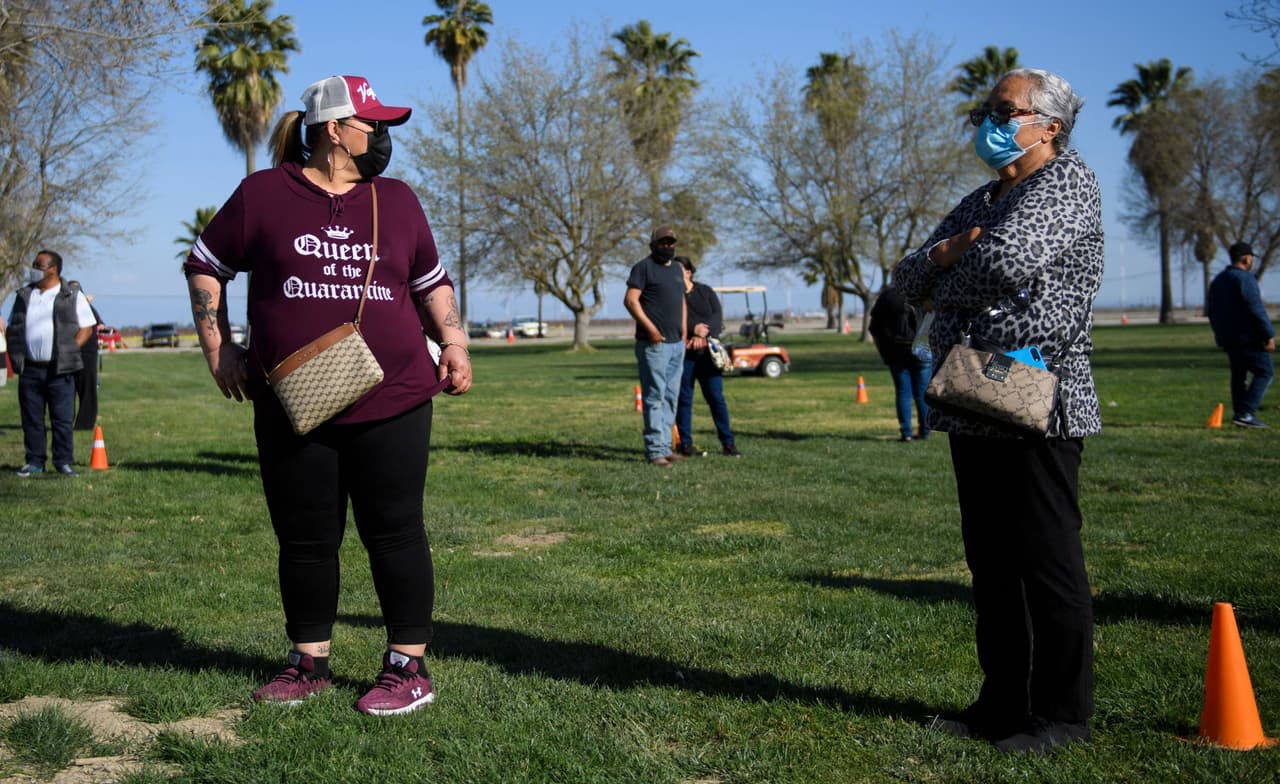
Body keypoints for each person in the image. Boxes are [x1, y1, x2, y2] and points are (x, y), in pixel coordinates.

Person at [182, 74, 473, 716]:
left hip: (393, 393)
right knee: (306, 537)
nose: (384, 137)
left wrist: (452, 342)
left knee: (394, 530)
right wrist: (217, 348)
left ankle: (407, 667)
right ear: (334, 130)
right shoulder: (263, 194)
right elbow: (206, 262)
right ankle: (307, 663)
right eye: (374, 124)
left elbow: (431, 282)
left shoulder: (396, 200)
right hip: (294, 398)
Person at [894, 68, 1102, 753]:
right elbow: (905, 279)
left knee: (1048, 562)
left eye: (1005, 110)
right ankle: (1002, 703)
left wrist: (946, 273)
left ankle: (1062, 716)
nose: (990, 120)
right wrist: (950, 252)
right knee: (991, 563)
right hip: (968, 394)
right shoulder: (981, 197)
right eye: (989, 109)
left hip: (1036, 398)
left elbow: (1005, 263)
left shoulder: (1068, 184)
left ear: (1050, 125)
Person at [7, 250, 97, 476]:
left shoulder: (70, 295)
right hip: (30, 368)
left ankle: (63, 461)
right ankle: (35, 461)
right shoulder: (25, 295)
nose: (34, 268)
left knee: (62, 419)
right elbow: (14, 325)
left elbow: (87, 326)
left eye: (39, 265)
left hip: (60, 369)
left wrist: (71, 348)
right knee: (32, 418)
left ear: (53, 269)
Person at [624, 226, 687, 466]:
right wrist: (651, 330)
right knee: (654, 396)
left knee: (671, 396)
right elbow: (630, 300)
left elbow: (681, 299)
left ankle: (665, 447)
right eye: (663, 243)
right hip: (654, 345)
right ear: (653, 245)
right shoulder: (643, 268)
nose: (668, 247)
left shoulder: (678, 270)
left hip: (675, 344)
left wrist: (682, 331)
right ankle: (654, 451)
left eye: (671, 243)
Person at [675, 256, 739, 457]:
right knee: (684, 399)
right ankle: (685, 444)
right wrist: (693, 329)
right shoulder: (672, 296)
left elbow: (716, 317)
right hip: (685, 355)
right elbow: (673, 320)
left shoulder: (705, 291)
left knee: (716, 398)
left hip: (708, 356)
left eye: (679, 270)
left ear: (688, 272)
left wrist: (703, 334)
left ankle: (728, 443)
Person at [1207, 241, 1275, 428]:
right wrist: (1268, 334)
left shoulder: (1219, 280)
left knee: (1239, 376)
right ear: (1246, 258)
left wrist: (1220, 335)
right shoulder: (1245, 279)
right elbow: (1256, 309)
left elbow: (1212, 311)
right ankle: (1246, 413)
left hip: (1228, 338)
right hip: (1248, 337)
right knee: (1265, 372)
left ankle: (1240, 413)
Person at [868, 285, 931, 442]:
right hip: (922, 347)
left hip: (896, 350)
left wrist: (884, 351)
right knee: (922, 392)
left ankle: (906, 432)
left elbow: (875, 327)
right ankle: (925, 429)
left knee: (903, 392)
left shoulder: (888, 296)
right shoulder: (924, 292)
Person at [72, 289, 104, 431]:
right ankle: (65, 421)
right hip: (68, 354)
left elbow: (100, 325)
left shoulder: (88, 309)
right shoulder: (63, 308)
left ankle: (85, 423)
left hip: (87, 353)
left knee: (87, 389)